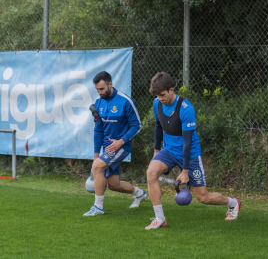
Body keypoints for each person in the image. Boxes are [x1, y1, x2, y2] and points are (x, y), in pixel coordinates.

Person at [145, 72, 241, 230]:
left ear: (171, 89)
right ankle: (159, 218)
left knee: (203, 197)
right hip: (168, 150)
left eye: (162, 95)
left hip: (189, 153)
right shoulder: (157, 103)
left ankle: (233, 203)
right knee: (151, 173)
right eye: (157, 95)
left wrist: (185, 171)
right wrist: (156, 151)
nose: (160, 99)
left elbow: (187, 142)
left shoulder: (186, 108)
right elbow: (158, 126)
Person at [83, 71, 147, 216]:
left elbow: (136, 126)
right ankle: (139, 193)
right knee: (113, 185)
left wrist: (120, 142)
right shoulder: (98, 103)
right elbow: (98, 130)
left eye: (102, 89)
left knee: (98, 167)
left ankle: (98, 207)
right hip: (107, 148)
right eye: (97, 89)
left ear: (110, 84)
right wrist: (96, 156)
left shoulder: (125, 101)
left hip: (121, 146)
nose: (99, 92)